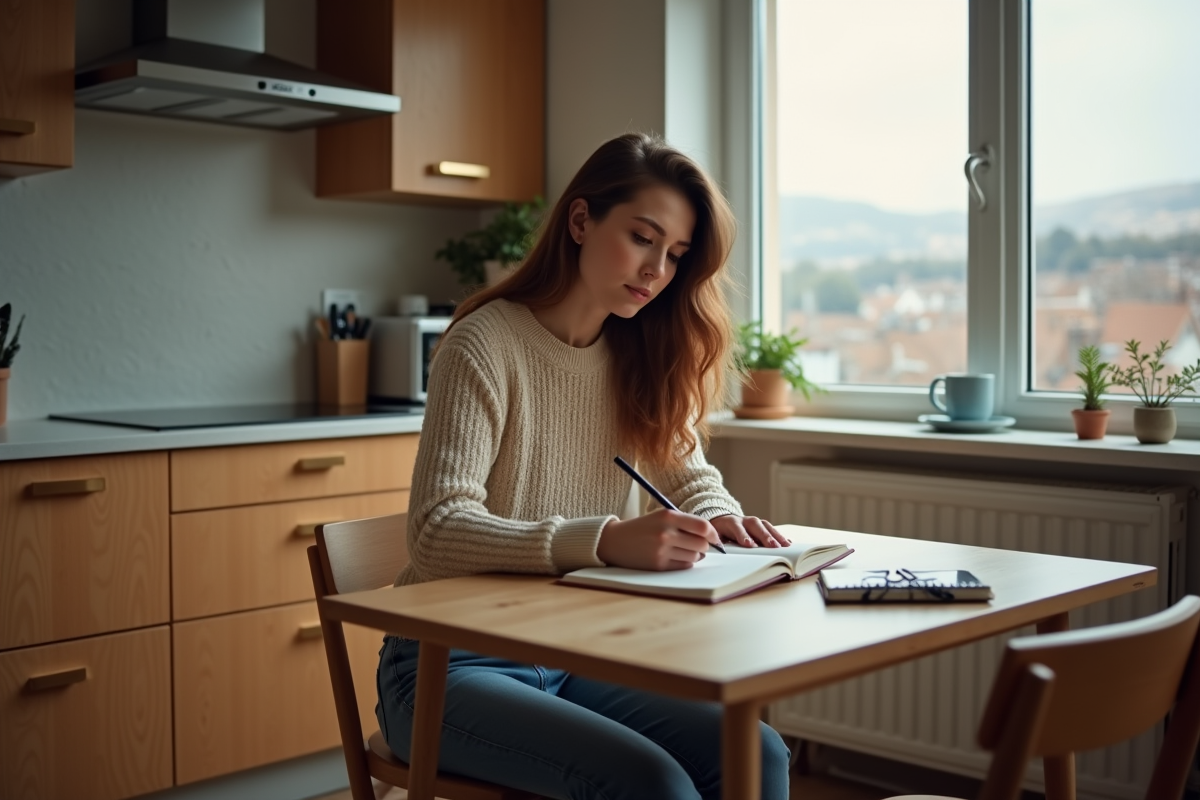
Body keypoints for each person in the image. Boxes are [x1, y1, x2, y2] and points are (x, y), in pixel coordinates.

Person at [376, 132, 792, 800]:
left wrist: (725, 521)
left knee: (758, 754)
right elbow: (435, 529)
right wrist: (600, 540)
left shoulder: (640, 352)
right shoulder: (484, 344)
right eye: (642, 237)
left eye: (676, 255)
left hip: (577, 655)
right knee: (651, 784)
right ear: (580, 221)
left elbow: (688, 474)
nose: (657, 270)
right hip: (449, 666)